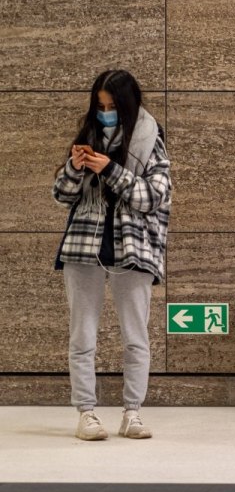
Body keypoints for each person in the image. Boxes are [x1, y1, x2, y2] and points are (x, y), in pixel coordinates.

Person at [52, 70, 172, 441]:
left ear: (128, 105)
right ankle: (86, 413)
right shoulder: (87, 135)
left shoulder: (150, 139)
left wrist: (112, 170)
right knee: (82, 336)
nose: (105, 113)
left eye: (112, 107)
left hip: (133, 247)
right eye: (100, 106)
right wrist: (74, 167)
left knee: (136, 337)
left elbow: (154, 197)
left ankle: (132, 413)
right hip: (83, 246)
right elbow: (61, 195)